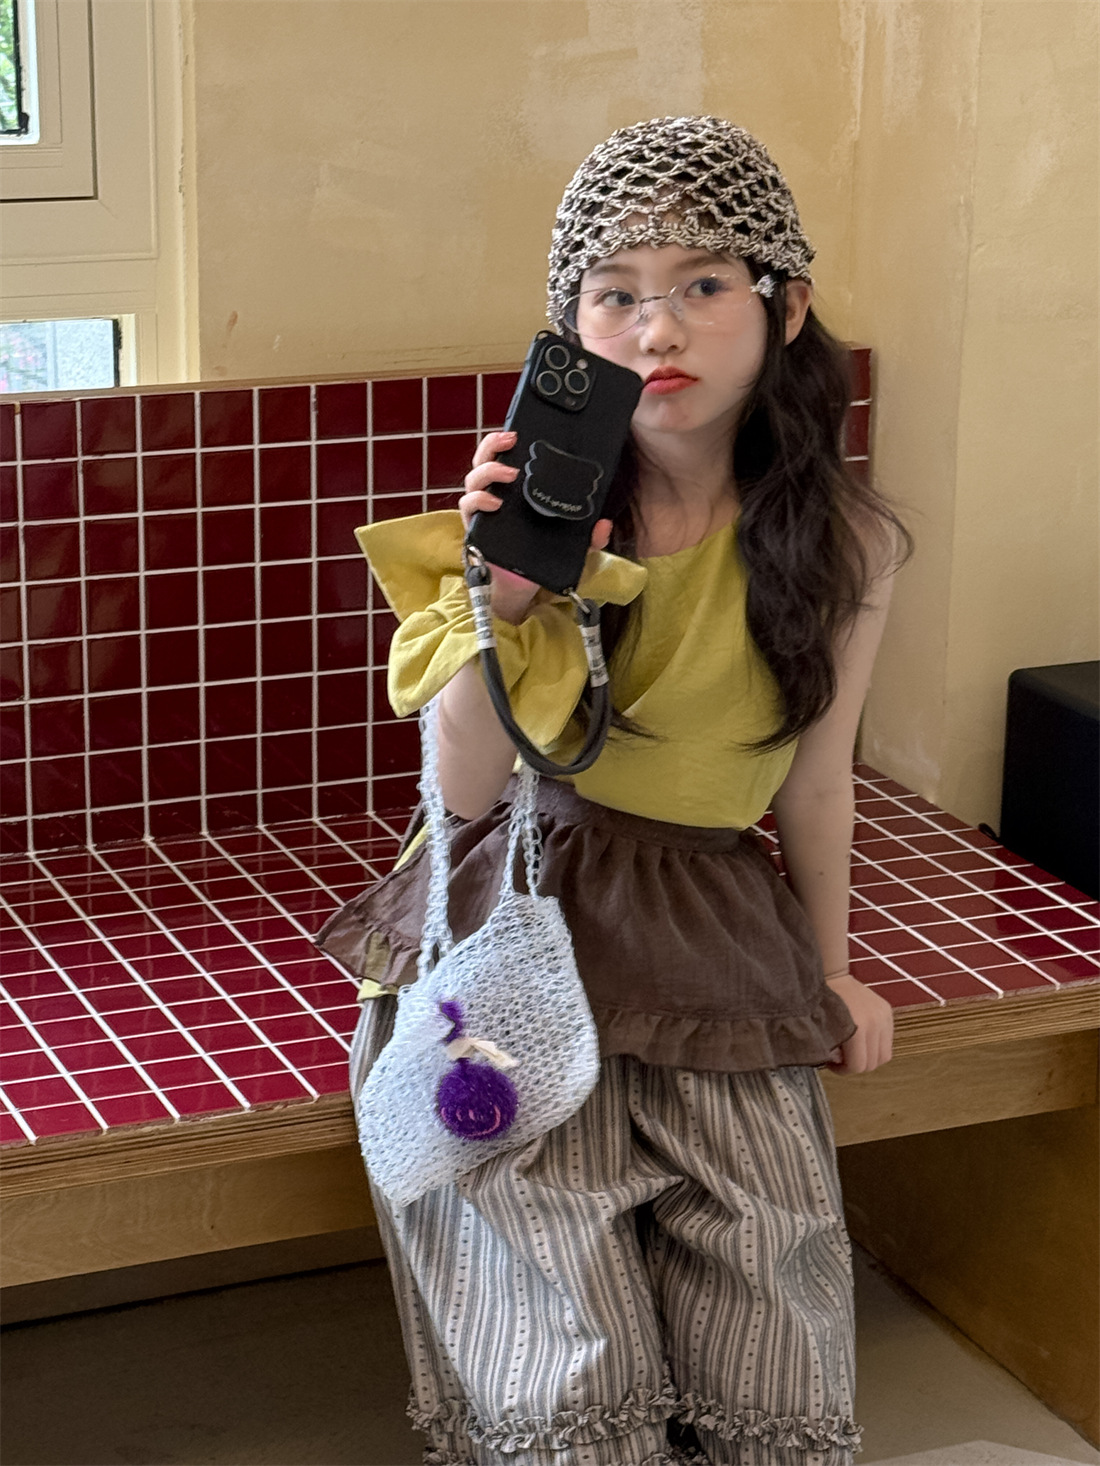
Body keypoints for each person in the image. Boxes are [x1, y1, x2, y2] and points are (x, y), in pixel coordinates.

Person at [319, 116, 908, 1466]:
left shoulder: (848, 544)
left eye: (703, 283)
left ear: (785, 307)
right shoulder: (534, 520)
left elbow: (817, 783)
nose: (658, 331)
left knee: (768, 1269)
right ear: (570, 334)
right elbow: (465, 789)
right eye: (616, 296)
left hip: (710, 919)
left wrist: (835, 969)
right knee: (560, 1318)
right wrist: (505, 593)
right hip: (522, 902)